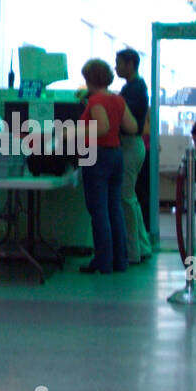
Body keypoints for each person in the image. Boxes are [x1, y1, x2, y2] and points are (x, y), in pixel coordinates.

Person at [78, 59, 138, 274]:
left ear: (88, 78)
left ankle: (103, 261)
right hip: (116, 155)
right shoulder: (117, 99)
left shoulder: (95, 101)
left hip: (96, 155)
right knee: (115, 208)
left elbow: (101, 128)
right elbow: (132, 127)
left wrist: (71, 133)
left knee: (98, 210)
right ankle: (119, 260)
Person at [114, 49, 154, 265]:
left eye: (119, 63)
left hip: (131, 145)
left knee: (126, 198)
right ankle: (142, 244)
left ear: (131, 64)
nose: (116, 67)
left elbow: (125, 118)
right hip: (132, 146)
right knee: (131, 198)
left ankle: (133, 251)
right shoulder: (132, 88)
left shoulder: (135, 89)